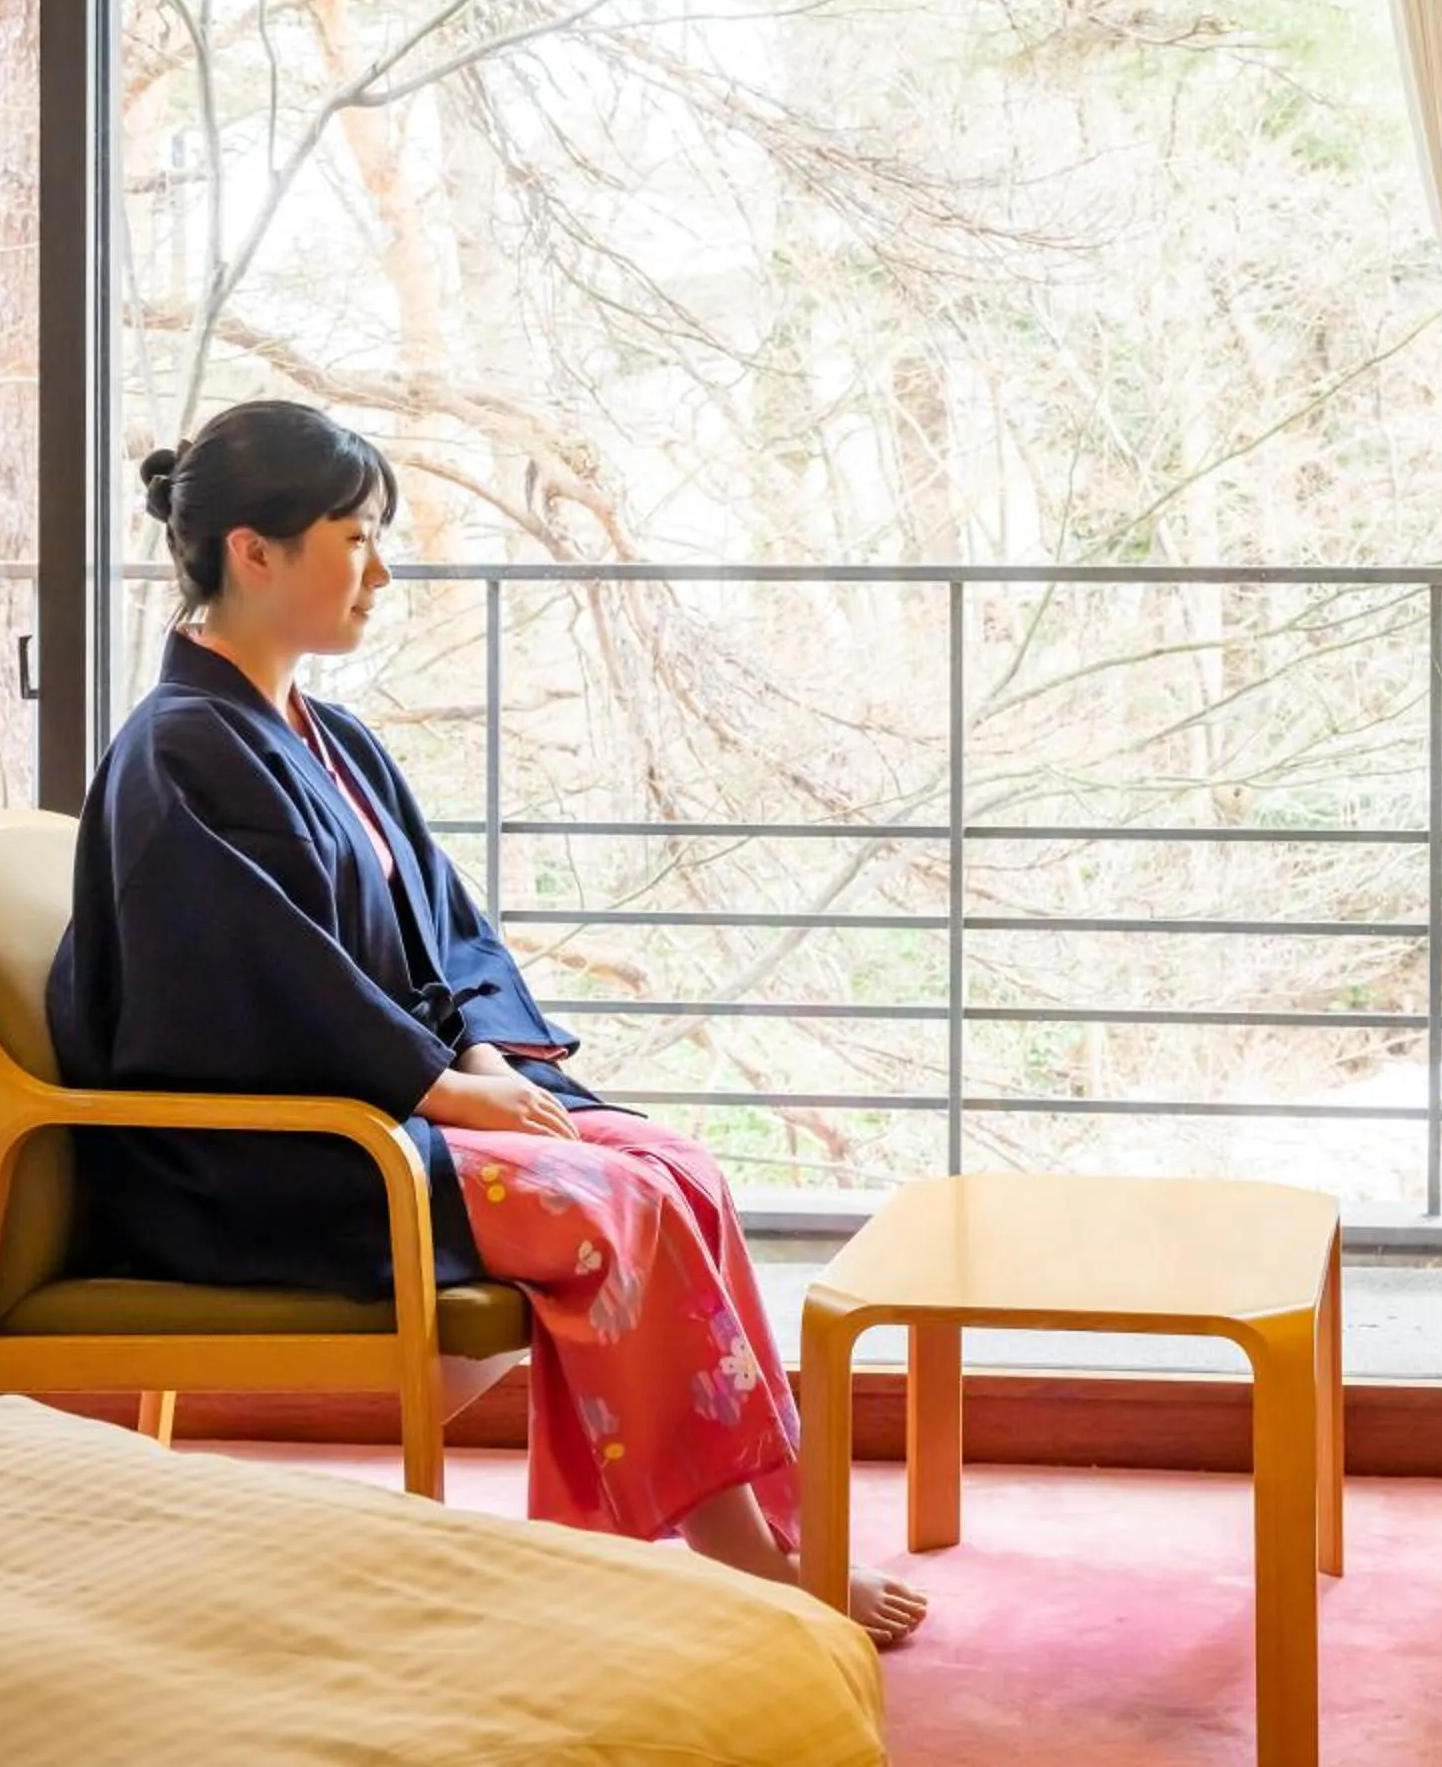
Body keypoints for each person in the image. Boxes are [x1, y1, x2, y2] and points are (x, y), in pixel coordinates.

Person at [45, 400, 927, 1646]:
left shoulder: (324, 734)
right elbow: (247, 989)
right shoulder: (181, 747)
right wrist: (439, 1089)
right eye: (355, 536)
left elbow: (443, 934)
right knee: (614, 1204)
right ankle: (725, 1558)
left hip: (383, 1105)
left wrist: (476, 1049)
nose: (382, 569)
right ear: (256, 552)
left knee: (674, 1164)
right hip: (269, 1155)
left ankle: (741, 1537)